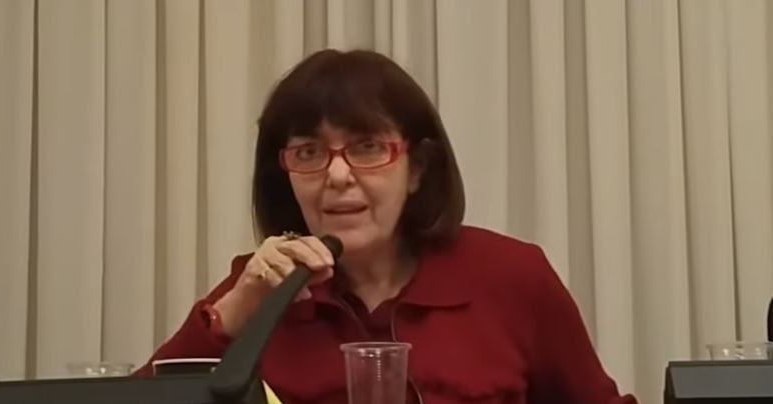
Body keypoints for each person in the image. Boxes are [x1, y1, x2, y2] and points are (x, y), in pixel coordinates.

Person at [136, 49, 637, 404]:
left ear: (417, 169)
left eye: (367, 147)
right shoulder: (261, 289)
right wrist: (229, 318)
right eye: (308, 153)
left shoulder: (510, 276)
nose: (337, 176)